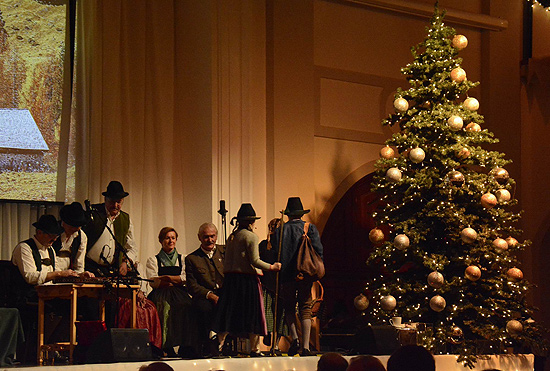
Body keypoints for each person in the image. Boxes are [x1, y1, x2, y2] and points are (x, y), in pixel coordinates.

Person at [212, 203, 282, 357]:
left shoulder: (232, 236)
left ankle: (219, 345)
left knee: (228, 312)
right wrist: (272, 267)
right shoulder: (251, 237)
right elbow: (255, 260)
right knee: (253, 313)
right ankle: (255, 349)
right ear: (252, 221)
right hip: (246, 280)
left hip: (231, 280)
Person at [10, 214, 82, 364]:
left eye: (56, 236)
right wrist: (59, 273)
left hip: (46, 294)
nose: (54, 240)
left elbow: (53, 275)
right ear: (40, 232)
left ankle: (53, 347)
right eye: (51, 236)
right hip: (26, 296)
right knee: (61, 306)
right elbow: (30, 277)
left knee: (77, 306)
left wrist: (76, 275)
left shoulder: (50, 251)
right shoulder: (24, 248)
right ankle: (41, 349)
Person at [270, 196, 324, 356]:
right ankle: (306, 346)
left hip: (286, 275)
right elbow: (318, 251)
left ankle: (295, 338)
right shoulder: (310, 228)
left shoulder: (280, 231)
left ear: (287, 214)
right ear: (301, 214)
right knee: (305, 307)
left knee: (288, 307)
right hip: (305, 274)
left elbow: (275, 253)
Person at [145, 227, 192, 357]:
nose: (170, 241)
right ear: (161, 241)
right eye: (167, 238)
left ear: (176, 240)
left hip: (179, 292)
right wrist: (172, 280)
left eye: (173, 238)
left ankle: (185, 345)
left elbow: (186, 278)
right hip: (161, 293)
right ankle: (165, 346)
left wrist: (168, 278)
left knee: (188, 305)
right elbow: (153, 281)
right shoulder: (153, 260)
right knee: (161, 307)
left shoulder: (183, 259)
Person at [184, 222, 225, 358]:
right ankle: (208, 347)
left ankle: (225, 344)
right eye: (206, 237)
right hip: (204, 297)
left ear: (217, 236)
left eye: (212, 236)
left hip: (224, 294)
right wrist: (210, 295)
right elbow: (192, 286)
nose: (210, 240)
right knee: (203, 309)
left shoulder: (225, 252)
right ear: (199, 237)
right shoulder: (192, 258)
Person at [83, 180, 138, 277]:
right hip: (89, 269)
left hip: (111, 271)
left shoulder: (125, 219)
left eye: (119, 202)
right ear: (105, 199)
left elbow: (132, 248)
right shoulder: (93, 213)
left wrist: (126, 263)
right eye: (112, 201)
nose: (116, 205)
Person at [258, 218, 287, 354]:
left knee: (280, 316)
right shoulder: (264, 245)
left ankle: (275, 345)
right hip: (266, 284)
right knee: (267, 313)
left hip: (281, 284)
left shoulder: (284, 247)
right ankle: (268, 335)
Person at [54, 202, 94, 276]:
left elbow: (79, 264)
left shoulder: (81, 236)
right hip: (51, 273)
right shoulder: (53, 232)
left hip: (68, 275)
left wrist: (80, 275)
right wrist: (59, 274)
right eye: (72, 227)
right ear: (64, 223)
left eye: (77, 227)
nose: (75, 230)